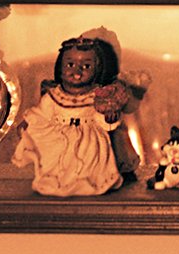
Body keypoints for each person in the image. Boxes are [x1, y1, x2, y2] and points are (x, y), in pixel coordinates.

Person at [12, 33, 134, 196]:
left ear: (97, 70)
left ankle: (88, 183)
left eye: (86, 66)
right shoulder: (54, 96)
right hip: (59, 139)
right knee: (57, 162)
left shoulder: (97, 96)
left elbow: (103, 121)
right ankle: (56, 183)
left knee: (87, 164)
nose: (77, 71)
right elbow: (41, 114)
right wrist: (29, 123)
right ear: (60, 68)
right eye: (70, 64)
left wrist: (109, 117)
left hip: (88, 142)